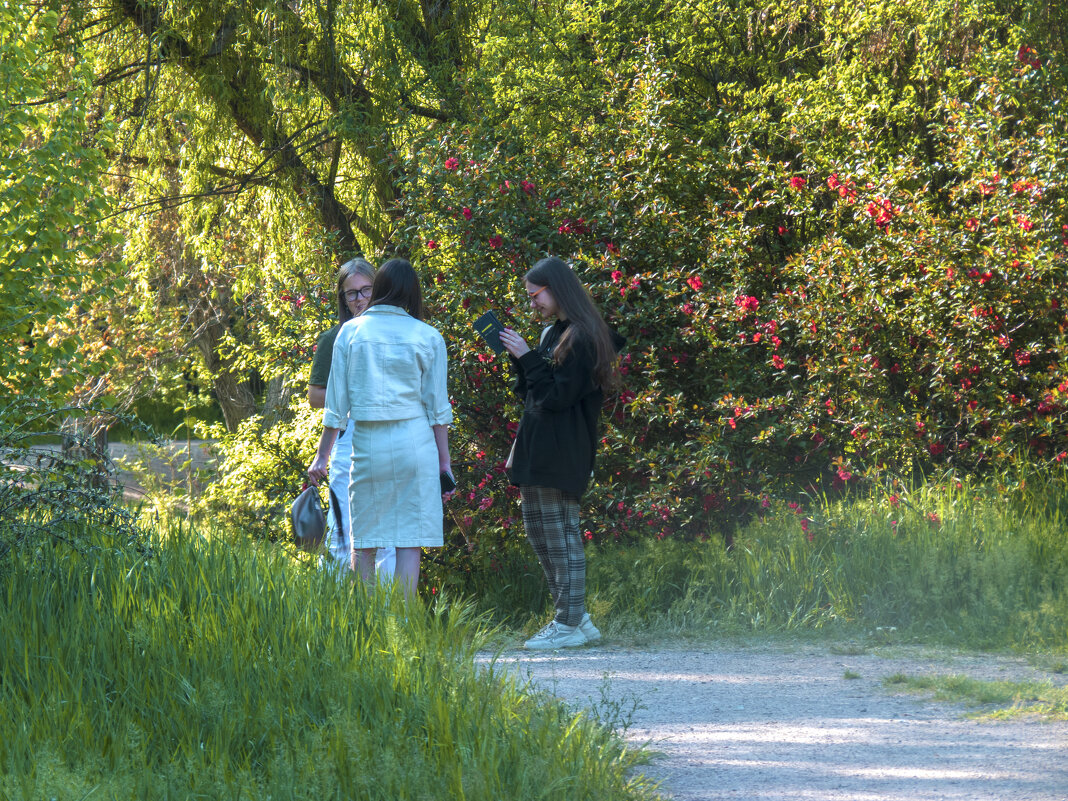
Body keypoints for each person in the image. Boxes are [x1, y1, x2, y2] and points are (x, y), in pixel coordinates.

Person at [309, 258, 453, 598]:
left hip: (368, 445)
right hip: (416, 445)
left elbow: (335, 409)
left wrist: (321, 458)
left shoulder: (350, 332)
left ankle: (368, 622)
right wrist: (444, 462)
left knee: (366, 537)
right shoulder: (429, 336)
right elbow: (438, 410)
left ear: (379, 288)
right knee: (409, 540)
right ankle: (403, 624)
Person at [499, 256, 624, 650]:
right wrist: (518, 444)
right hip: (538, 447)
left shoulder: (585, 336)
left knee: (560, 536)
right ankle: (578, 617)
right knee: (540, 533)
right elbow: (533, 396)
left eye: (535, 295)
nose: (531, 303)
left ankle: (566, 623)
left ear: (556, 288)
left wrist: (526, 357)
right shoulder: (554, 333)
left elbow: (558, 396)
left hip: (564, 448)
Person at [307, 257, 396, 579]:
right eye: (351, 293)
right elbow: (316, 396)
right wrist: (356, 391)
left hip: (393, 440)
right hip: (349, 442)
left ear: (380, 290)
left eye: (366, 290)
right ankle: (332, 613)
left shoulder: (398, 332)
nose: (359, 299)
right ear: (343, 298)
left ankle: (389, 617)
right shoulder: (335, 337)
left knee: (387, 535)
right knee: (343, 533)